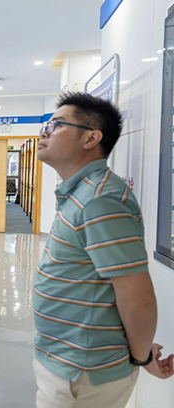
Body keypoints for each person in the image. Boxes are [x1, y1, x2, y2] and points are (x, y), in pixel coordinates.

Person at [33, 92, 174, 408]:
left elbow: (137, 297)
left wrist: (142, 356)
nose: (45, 132)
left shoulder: (100, 199)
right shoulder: (83, 193)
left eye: (56, 125)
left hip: (83, 371)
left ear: (91, 138)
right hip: (66, 360)